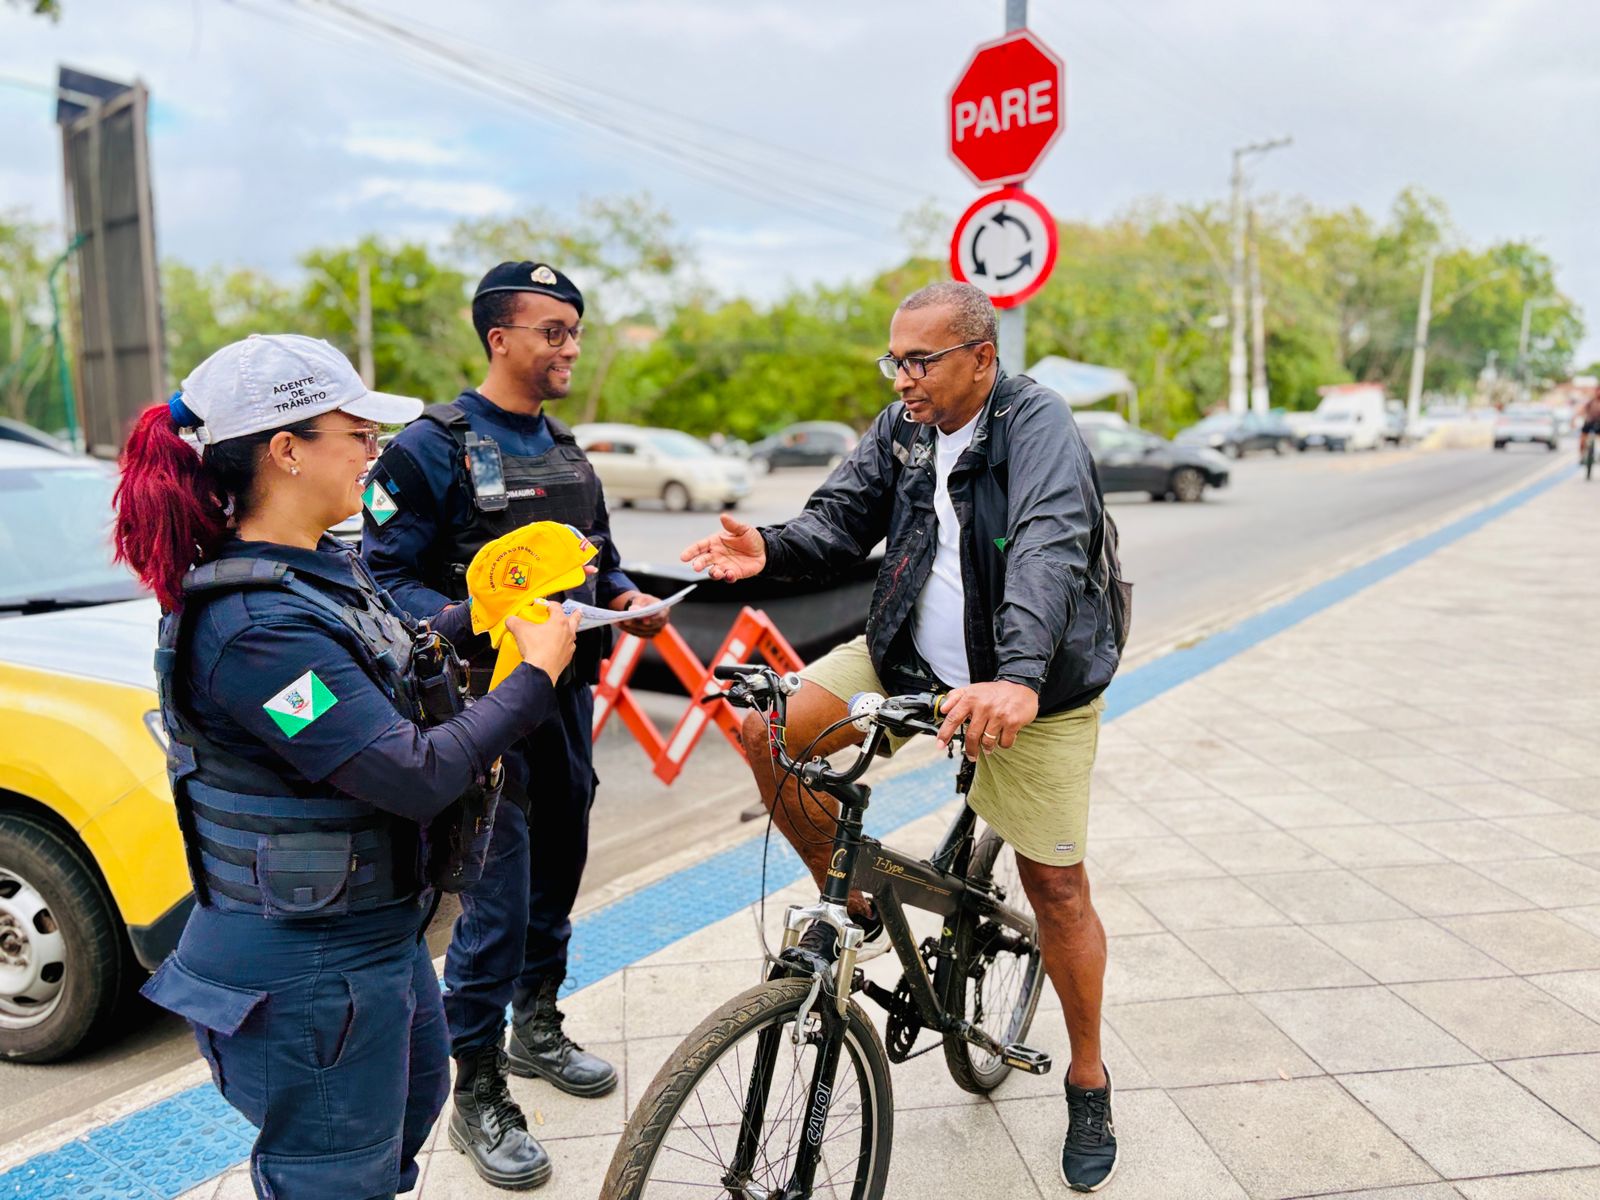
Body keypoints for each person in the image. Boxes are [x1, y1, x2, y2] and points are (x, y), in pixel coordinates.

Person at [113, 333, 581, 1200]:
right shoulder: (255, 629)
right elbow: (412, 773)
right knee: (332, 1175)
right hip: (305, 969)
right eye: (357, 434)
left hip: (374, 934)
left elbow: (392, 659)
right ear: (286, 450)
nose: (377, 452)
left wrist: (488, 610)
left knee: (401, 1119)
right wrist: (535, 675)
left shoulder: (321, 569)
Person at [681, 281, 1123, 1193]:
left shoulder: (1037, 424)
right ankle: (856, 903)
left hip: (1028, 682)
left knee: (1057, 887)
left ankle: (1088, 1078)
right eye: (895, 359)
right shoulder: (904, 427)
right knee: (763, 727)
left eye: (920, 360)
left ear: (981, 360)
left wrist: (1018, 677)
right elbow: (839, 520)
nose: (902, 377)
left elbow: (1048, 546)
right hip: (908, 656)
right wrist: (769, 547)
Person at [361, 261, 668, 1188]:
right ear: (500, 339)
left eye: (575, 331)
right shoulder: (429, 448)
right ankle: (477, 1088)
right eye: (553, 332)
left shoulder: (568, 450)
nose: (569, 347)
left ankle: (538, 1026)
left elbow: (596, 563)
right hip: (478, 715)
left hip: (567, 707)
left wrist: (627, 598)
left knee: (557, 875)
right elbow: (383, 581)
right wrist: (477, 621)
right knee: (490, 905)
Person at [1578, 389, 1600, 463]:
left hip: (1599, 423)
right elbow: (1582, 409)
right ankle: (1582, 455)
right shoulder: (1591, 401)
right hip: (1589, 422)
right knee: (1582, 439)